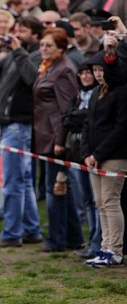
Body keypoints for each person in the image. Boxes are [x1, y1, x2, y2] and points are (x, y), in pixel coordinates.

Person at [0, 17, 44, 247]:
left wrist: (18, 52)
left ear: (37, 35)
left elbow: (32, 79)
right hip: (8, 124)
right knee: (24, 181)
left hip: (19, 124)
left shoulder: (37, 55)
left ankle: (11, 233)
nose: (17, 34)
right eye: (16, 30)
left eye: (23, 30)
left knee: (11, 182)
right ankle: (31, 229)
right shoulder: (13, 55)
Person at [33, 27, 84, 252]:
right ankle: (72, 237)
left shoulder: (64, 70)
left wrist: (60, 140)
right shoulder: (48, 67)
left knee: (57, 189)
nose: (43, 49)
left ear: (61, 49)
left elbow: (67, 110)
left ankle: (57, 239)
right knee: (62, 187)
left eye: (49, 45)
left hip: (55, 137)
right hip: (44, 135)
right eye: (42, 44)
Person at [82, 50, 127, 267]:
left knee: (111, 202)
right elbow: (87, 125)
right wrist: (87, 154)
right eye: (95, 70)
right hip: (94, 158)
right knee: (100, 203)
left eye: (101, 69)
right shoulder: (94, 93)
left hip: (114, 156)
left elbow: (121, 129)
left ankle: (115, 250)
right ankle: (104, 247)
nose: (98, 74)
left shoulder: (121, 93)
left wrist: (98, 154)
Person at [65, 61, 102, 259]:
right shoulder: (78, 96)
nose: (86, 76)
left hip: (93, 153)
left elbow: (87, 119)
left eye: (90, 73)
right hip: (77, 152)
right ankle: (92, 240)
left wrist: (77, 117)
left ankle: (99, 242)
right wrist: (77, 116)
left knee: (98, 201)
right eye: (83, 73)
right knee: (87, 199)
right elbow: (67, 118)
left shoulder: (99, 93)